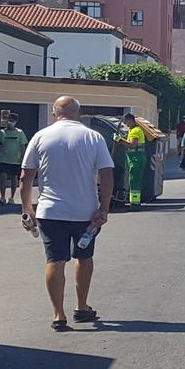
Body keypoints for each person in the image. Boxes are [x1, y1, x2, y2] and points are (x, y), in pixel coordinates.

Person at [20, 96, 114, 331]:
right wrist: (104, 207)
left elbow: (25, 176)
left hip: (50, 212)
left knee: (55, 260)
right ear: (79, 114)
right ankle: (82, 308)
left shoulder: (40, 136)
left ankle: (57, 314)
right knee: (84, 258)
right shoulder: (94, 137)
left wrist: (26, 209)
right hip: (86, 213)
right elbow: (107, 175)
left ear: (54, 114)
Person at [0, 114, 28, 206]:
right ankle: (2, 197)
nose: (10, 122)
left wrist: (23, 157)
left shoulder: (20, 133)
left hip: (15, 159)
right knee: (3, 177)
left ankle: (12, 197)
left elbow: (23, 145)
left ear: (16, 121)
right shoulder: (1, 132)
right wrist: (0, 146)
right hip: (3, 158)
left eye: (12, 120)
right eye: (9, 120)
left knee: (14, 178)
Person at [121, 113, 147, 207]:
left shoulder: (135, 131)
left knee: (134, 180)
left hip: (136, 159)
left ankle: (135, 203)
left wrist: (120, 140)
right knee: (134, 180)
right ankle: (135, 201)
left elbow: (132, 144)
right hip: (136, 158)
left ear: (130, 120)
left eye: (126, 122)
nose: (125, 124)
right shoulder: (133, 130)